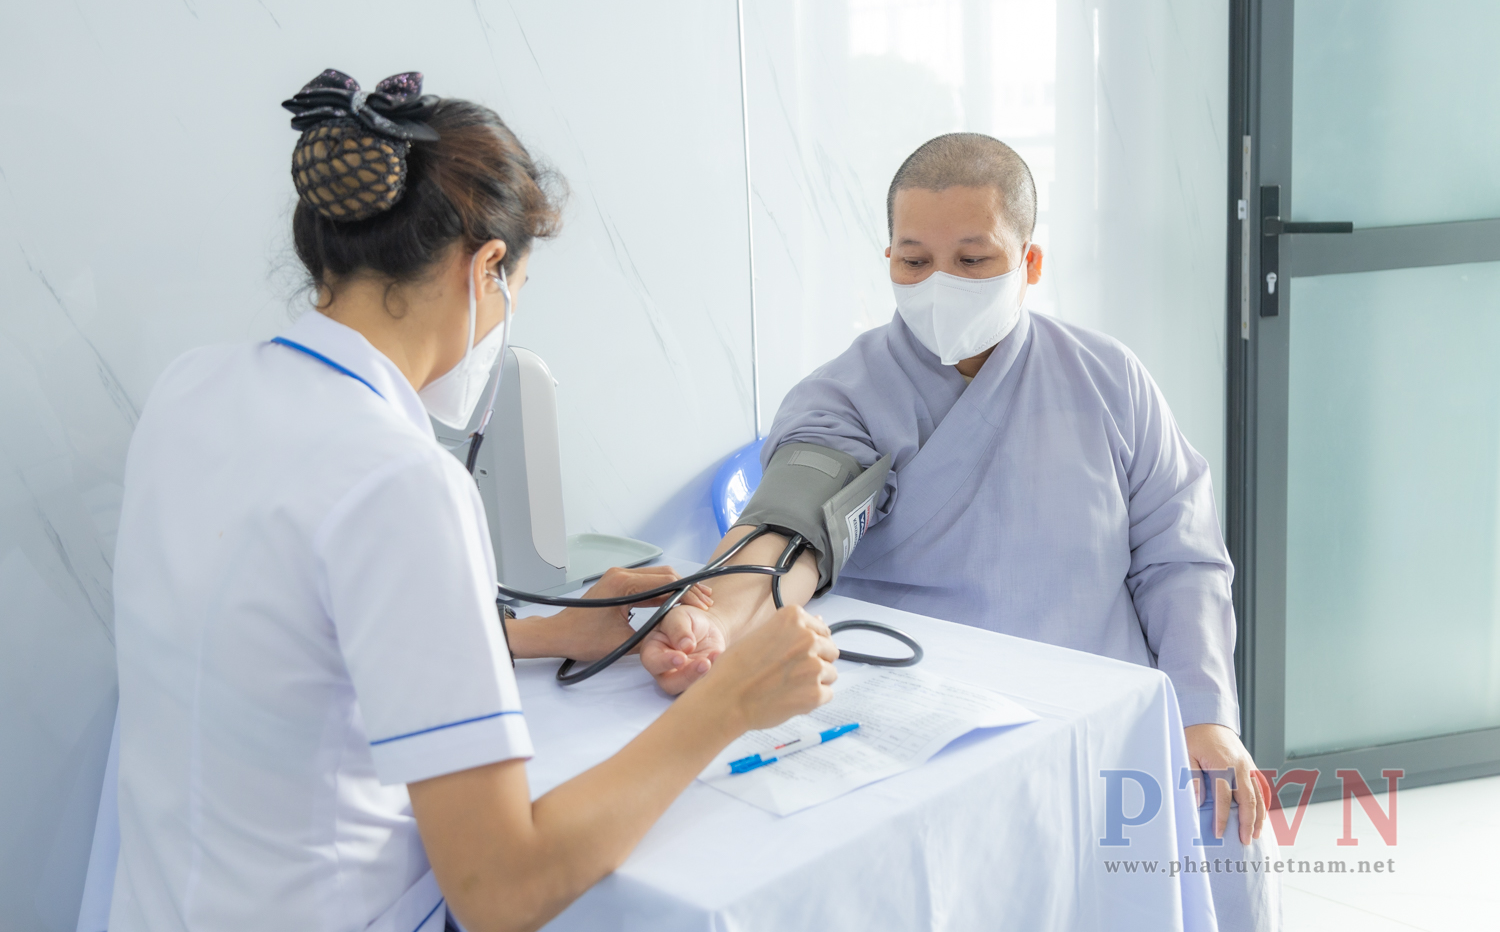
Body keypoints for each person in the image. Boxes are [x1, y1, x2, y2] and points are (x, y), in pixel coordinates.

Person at [108, 69, 839, 932]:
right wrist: (733, 702)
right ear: (487, 268)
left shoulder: (191, 390)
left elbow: (295, 646)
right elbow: (501, 889)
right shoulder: (401, 481)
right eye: (517, 290)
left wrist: (548, 633)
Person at [638, 133, 1281, 931]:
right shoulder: (845, 398)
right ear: (889, 261)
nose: (940, 284)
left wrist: (1203, 712)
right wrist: (715, 613)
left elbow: (1180, 557)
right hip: (931, 729)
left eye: (973, 261)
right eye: (914, 262)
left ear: (1029, 262)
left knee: (1222, 822)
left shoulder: (1109, 379)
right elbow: (793, 525)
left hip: (1103, 717)